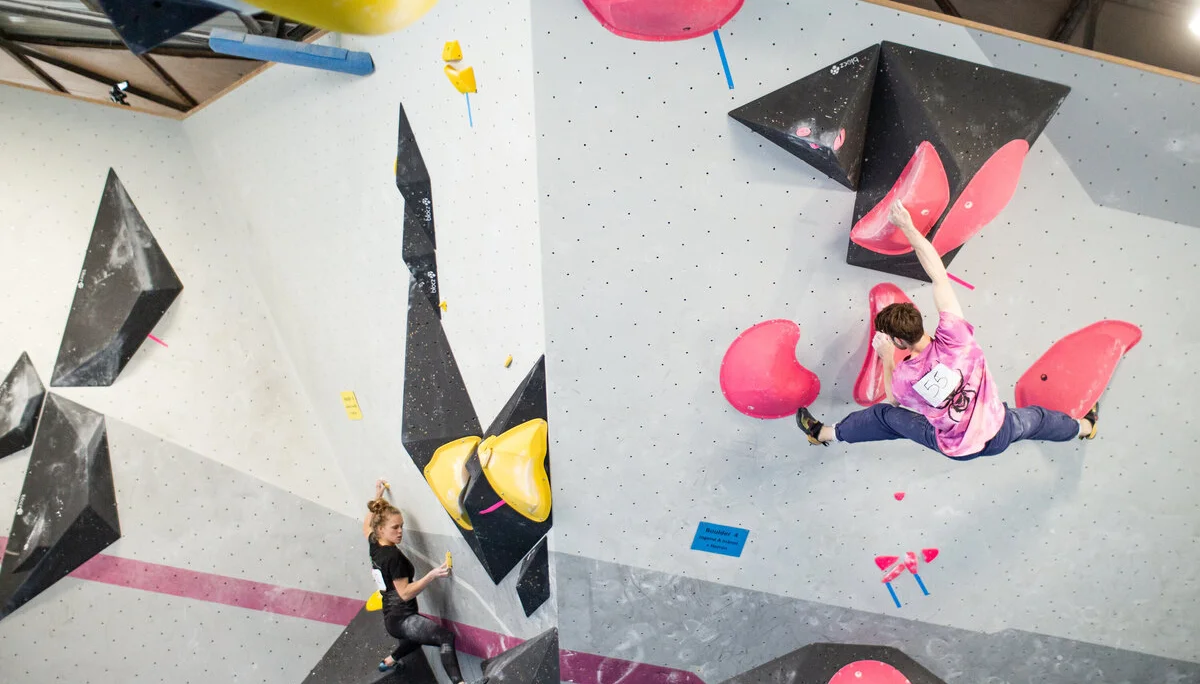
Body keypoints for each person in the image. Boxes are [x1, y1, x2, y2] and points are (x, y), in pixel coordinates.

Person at [796, 201, 1098, 460]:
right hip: (999, 430)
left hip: (956, 447)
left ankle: (824, 433)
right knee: (1040, 420)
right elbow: (939, 277)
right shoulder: (957, 337)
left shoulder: (905, 378)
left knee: (884, 418)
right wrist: (908, 227)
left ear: (898, 340)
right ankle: (1085, 427)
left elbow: (892, 400)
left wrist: (887, 357)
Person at [363, 479, 487, 683]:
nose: (400, 531)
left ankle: (389, 661)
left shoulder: (374, 543)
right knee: (444, 638)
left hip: (391, 619)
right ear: (381, 530)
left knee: (417, 638)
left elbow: (366, 525)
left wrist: (378, 497)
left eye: (402, 526)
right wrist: (432, 575)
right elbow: (404, 593)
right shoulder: (392, 557)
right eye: (395, 527)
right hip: (403, 618)